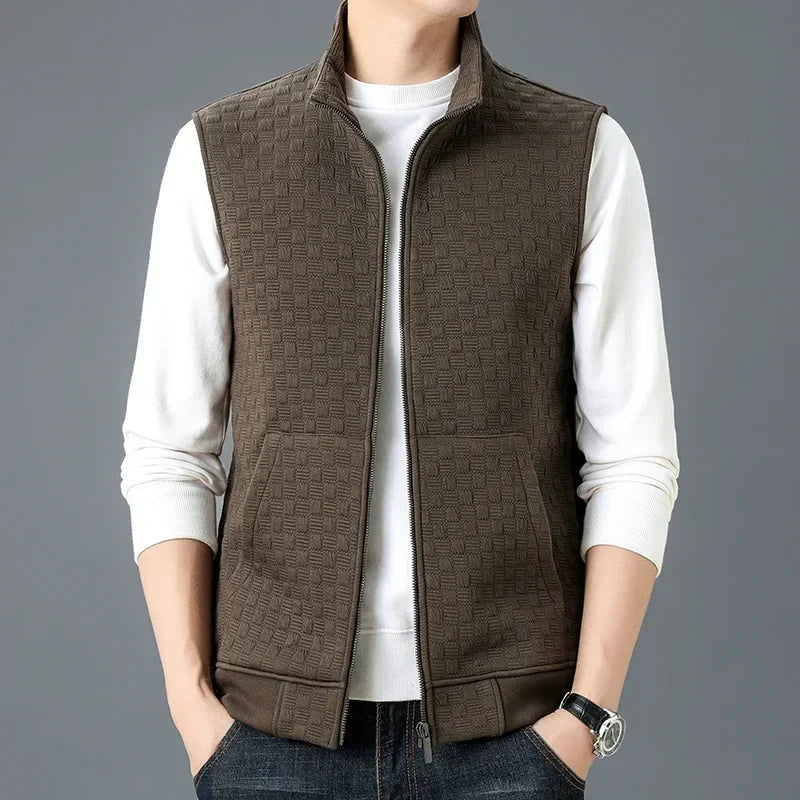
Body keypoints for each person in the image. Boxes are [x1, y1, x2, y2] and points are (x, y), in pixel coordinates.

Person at [120, 0, 680, 797]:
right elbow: (170, 450)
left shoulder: (579, 150)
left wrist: (585, 715)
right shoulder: (224, 149)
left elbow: (633, 456)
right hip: (269, 735)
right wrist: (192, 706)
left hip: (512, 733)